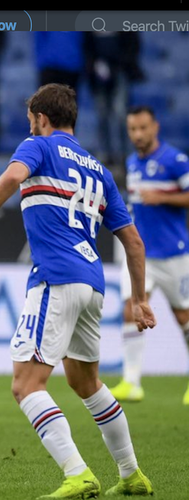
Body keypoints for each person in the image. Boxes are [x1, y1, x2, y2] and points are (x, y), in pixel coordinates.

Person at [0, 84, 155, 498]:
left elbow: (11, 175)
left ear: (40, 119)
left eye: (31, 121)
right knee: (86, 382)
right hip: (93, 283)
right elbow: (133, 241)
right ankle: (132, 475)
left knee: (26, 384)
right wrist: (141, 298)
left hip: (55, 278)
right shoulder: (99, 169)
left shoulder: (38, 146)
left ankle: (78, 473)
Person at [111, 106, 189, 405]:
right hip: (141, 255)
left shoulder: (176, 161)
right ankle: (132, 382)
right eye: (132, 129)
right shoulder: (132, 162)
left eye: (143, 128)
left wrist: (163, 198)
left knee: (183, 316)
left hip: (173, 255)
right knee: (131, 308)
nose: (138, 134)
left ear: (155, 127)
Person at [84, 33, 143, 166]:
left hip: (121, 71)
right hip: (97, 76)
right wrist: (95, 64)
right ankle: (105, 156)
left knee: (121, 113)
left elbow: (133, 44)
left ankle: (125, 155)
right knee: (102, 114)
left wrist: (119, 64)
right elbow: (87, 46)